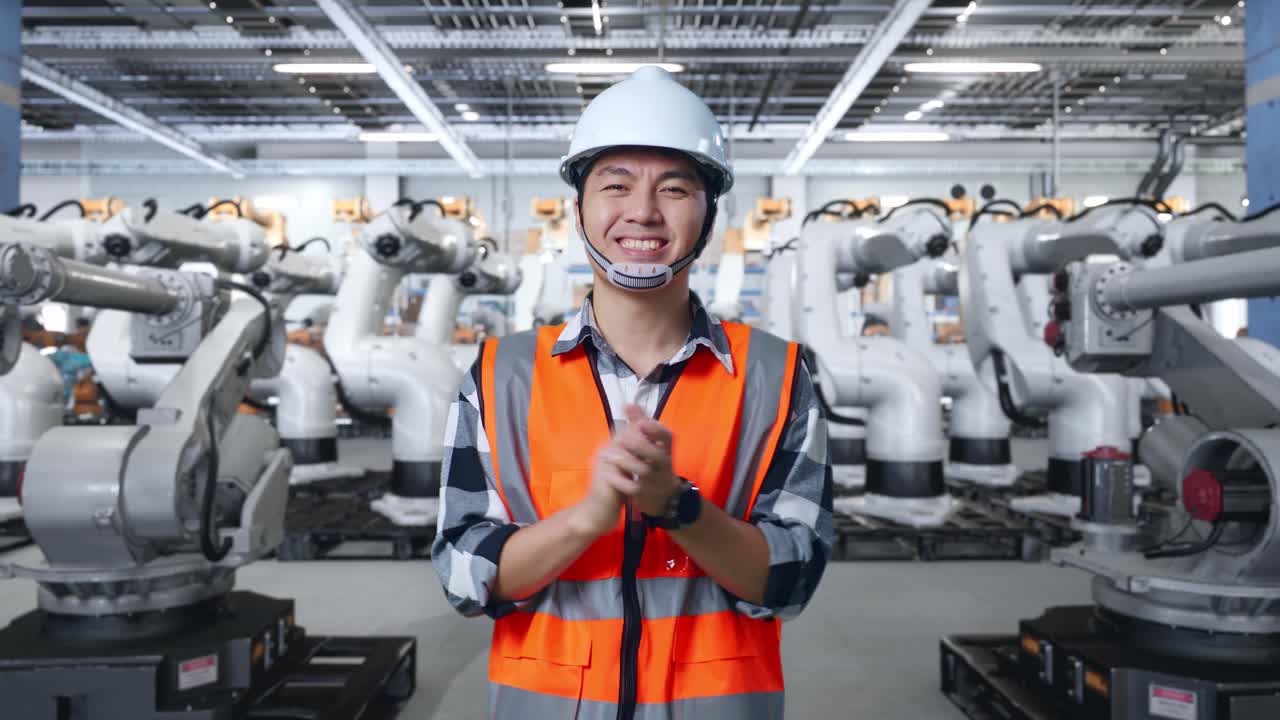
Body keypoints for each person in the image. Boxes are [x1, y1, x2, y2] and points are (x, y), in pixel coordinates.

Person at [432, 66, 833, 720]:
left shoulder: (776, 376)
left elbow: (791, 577)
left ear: (708, 212)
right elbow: (463, 575)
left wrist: (677, 507)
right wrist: (588, 519)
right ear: (580, 208)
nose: (643, 211)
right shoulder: (499, 375)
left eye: (675, 188)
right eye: (616, 185)